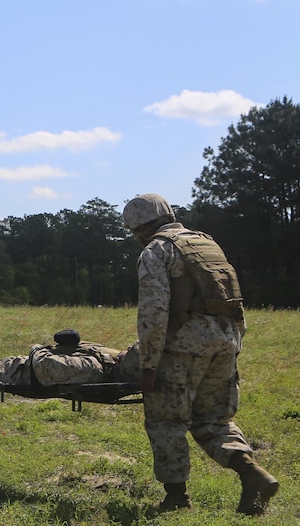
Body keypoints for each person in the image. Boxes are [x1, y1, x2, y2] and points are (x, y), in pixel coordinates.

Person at [122, 193, 278, 515]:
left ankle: (176, 499)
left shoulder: (156, 250)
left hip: (181, 349)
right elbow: (233, 296)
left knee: (167, 420)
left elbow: (154, 311)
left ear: (137, 227)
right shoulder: (206, 243)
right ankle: (252, 474)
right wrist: (235, 346)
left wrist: (149, 365)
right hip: (225, 342)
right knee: (213, 418)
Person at [0, 329, 141, 387]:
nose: (127, 347)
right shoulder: (108, 362)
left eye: (130, 351)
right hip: (21, 367)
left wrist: (38, 348)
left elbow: (44, 367)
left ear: (128, 363)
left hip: (19, 373)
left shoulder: (92, 368)